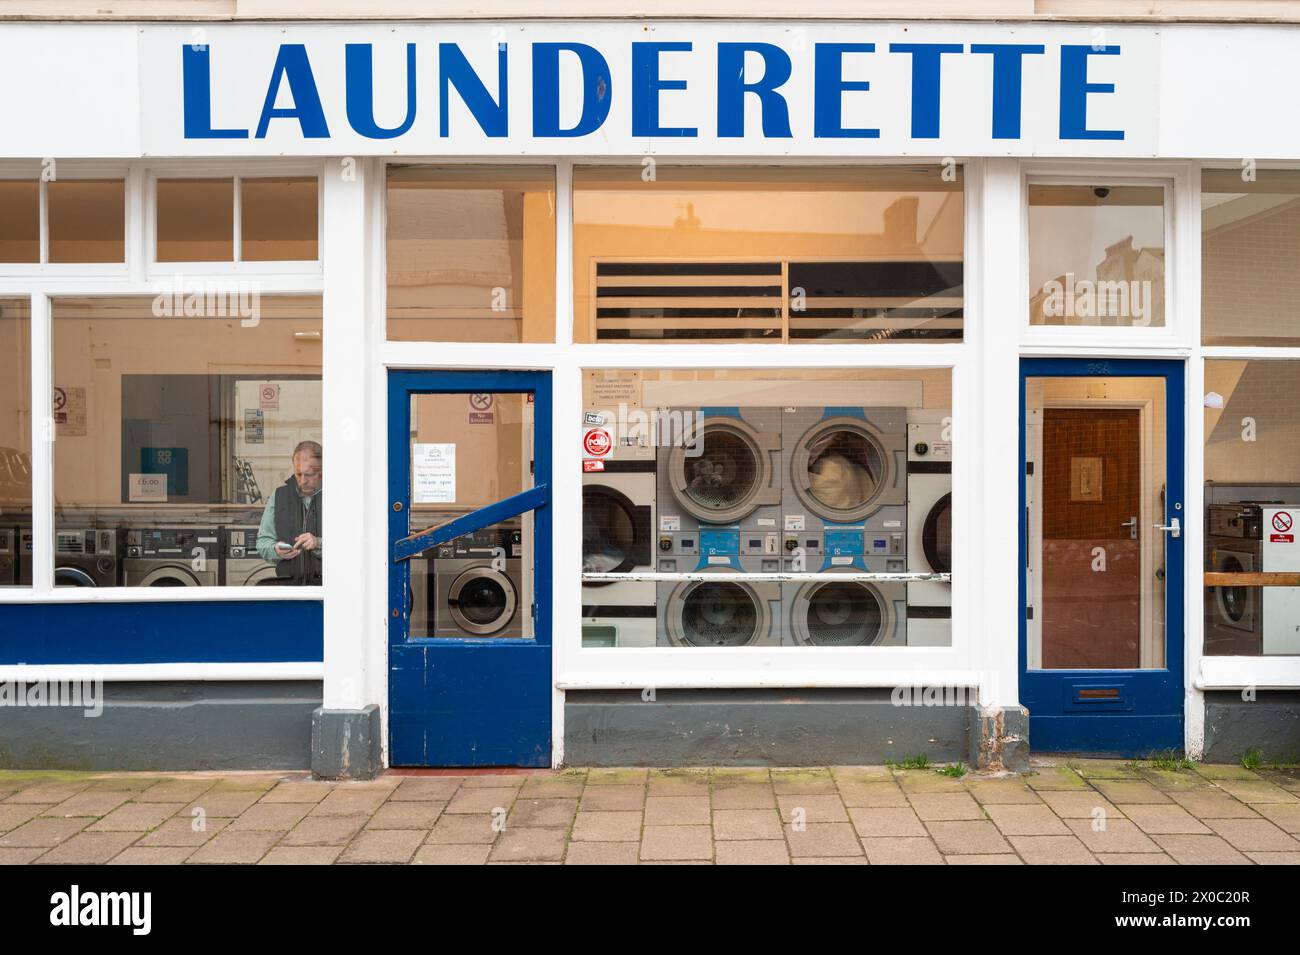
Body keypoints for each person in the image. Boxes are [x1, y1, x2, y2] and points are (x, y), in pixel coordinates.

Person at [256, 440, 322, 585]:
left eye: (309, 475)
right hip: (287, 586)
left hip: (326, 589)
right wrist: (276, 550)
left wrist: (318, 543)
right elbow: (262, 542)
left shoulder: (336, 497)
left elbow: (350, 546)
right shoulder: (279, 496)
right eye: (298, 474)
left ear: (322, 471)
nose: (302, 481)